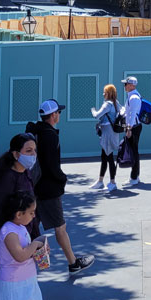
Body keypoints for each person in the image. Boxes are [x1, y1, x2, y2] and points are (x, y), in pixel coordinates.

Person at [25, 101, 94, 275]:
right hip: (49, 189)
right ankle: (73, 263)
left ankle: (33, 264)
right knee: (60, 227)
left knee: (32, 226)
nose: (59, 115)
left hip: (34, 187)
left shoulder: (35, 131)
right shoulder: (50, 135)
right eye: (59, 112)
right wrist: (62, 179)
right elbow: (51, 165)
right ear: (54, 115)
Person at [0, 193, 46, 300]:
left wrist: (40, 250)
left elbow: (26, 251)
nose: (34, 216)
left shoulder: (20, 227)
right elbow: (20, 256)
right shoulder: (9, 231)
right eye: (31, 212)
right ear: (19, 214)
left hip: (28, 280)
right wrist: (35, 244)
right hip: (14, 284)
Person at [0, 135, 40, 242]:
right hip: (11, 240)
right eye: (29, 151)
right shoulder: (5, 178)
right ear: (16, 154)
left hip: (26, 234)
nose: (34, 155)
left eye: (35, 150)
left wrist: (36, 237)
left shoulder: (26, 173)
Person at [90, 85, 123, 192]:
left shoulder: (107, 104)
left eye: (105, 92)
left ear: (109, 93)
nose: (103, 94)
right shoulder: (116, 103)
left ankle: (112, 182)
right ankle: (100, 181)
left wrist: (93, 110)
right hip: (113, 132)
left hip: (107, 132)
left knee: (108, 157)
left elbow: (97, 115)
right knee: (104, 157)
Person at [121, 76, 144, 186]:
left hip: (133, 127)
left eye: (126, 84)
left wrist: (129, 128)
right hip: (133, 126)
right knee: (134, 151)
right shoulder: (132, 96)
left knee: (133, 152)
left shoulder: (133, 97)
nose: (124, 86)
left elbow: (133, 114)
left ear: (131, 85)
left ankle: (134, 178)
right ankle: (135, 176)